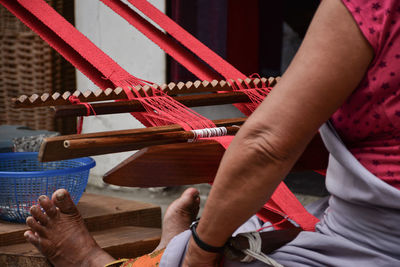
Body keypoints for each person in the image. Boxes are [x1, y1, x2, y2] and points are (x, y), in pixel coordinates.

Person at [24, 0, 400, 266]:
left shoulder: (372, 6)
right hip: (372, 223)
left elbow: (267, 144)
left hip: (376, 242)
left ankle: (99, 263)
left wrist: (199, 252)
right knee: (251, 227)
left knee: (215, 249)